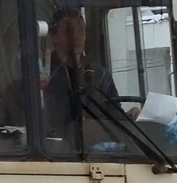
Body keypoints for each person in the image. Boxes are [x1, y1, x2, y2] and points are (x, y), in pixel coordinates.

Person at [42, 8, 136, 136]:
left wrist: (130, 117)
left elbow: (115, 119)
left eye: (81, 30)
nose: (76, 37)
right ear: (54, 37)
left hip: (99, 150)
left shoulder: (101, 76)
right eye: (69, 31)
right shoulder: (44, 77)